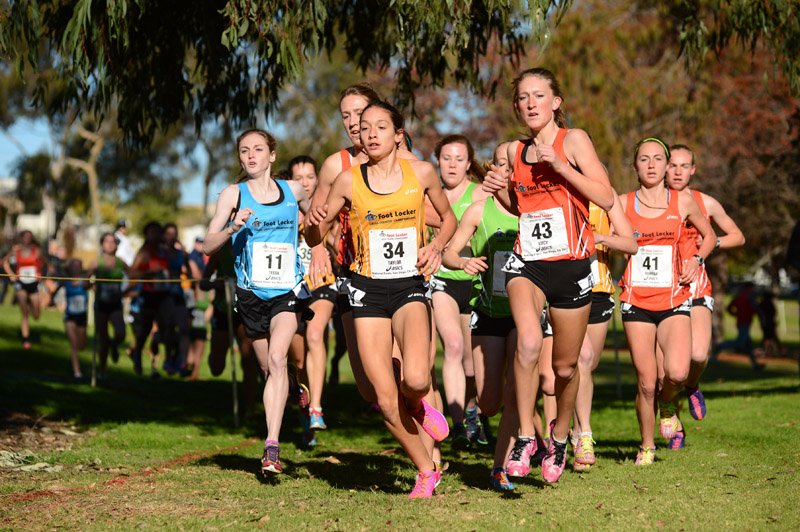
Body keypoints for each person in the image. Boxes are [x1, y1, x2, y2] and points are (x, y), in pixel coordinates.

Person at [306, 101, 456, 498]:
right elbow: (315, 234)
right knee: (384, 400)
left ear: (398, 134)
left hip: (409, 286)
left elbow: (449, 218)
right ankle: (425, 470)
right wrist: (313, 226)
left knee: (417, 380)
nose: (371, 133)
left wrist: (436, 246)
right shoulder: (347, 180)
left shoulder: (421, 173)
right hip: (366, 291)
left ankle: (418, 405)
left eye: (381, 127)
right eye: (365, 127)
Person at [482, 68, 615, 483]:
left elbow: (607, 197)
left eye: (539, 95)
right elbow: (519, 207)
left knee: (565, 369)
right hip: (528, 262)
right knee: (527, 342)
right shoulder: (512, 150)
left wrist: (562, 167)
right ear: (516, 107)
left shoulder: (573, 141)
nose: (530, 103)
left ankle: (559, 437)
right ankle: (525, 436)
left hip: (572, 266)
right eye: (523, 97)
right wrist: (498, 188)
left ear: (555, 102)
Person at [203, 128, 311, 475]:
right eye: (244, 151)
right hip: (251, 294)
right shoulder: (233, 194)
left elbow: (315, 225)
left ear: (272, 155)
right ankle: (292, 384)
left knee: (277, 358)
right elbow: (207, 245)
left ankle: (271, 445)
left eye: (258, 149)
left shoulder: (293, 190)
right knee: (269, 370)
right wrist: (232, 227)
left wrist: (319, 244)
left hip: (287, 290)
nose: (251, 156)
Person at [306, 83, 418, 410]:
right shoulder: (335, 165)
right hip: (353, 275)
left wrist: (436, 247)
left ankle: (425, 430)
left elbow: (432, 212)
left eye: (359, 113)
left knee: (410, 374)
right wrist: (317, 251)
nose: (353, 122)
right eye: (346, 115)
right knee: (369, 390)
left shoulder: (407, 161)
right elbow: (316, 218)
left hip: (403, 277)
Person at [619, 138, 716, 465]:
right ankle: (646, 446)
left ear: (666, 165)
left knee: (675, 373)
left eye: (658, 158)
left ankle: (668, 403)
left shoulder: (683, 201)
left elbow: (710, 236)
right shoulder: (621, 203)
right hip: (636, 301)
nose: (651, 165)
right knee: (647, 383)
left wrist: (697, 260)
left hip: (674, 300)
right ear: (635, 166)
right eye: (644, 159)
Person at [440, 141, 523, 490]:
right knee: (490, 403)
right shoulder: (478, 210)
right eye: (501, 165)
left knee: (517, 386)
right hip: (488, 311)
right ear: (492, 170)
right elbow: (448, 253)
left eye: (513, 165)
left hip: (525, 313)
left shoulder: (533, 209)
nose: (507, 171)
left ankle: (501, 466)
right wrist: (464, 262)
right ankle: (480, 412)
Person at [665, 144, 745, 422]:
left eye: (684, 166)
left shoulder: (705, 203)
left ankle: (692, 386)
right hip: (662, 289)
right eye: (672, 165)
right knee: (668, 367)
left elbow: (738, 236)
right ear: (664, 167)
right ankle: (672, 418)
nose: (678, 171)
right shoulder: (654, 202)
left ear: (693, 170)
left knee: (698, 356)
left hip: (696, 287)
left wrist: (713, 241)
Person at [428, 134, 490, 448]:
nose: (452, 165)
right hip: (442, 281)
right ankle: (458, 426)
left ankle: (472, 412)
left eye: (459, 159)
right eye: (446, 158)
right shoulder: (428, 195)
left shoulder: (479, 192)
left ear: (468, 164)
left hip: (474, 283)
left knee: (470, 362)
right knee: (452, 346)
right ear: (437, 161)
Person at [571, 195, 638, 469]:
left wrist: (601, 238)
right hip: (566, 290)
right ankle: (585, 435)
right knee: (582, 359)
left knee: (588, 366)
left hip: (599, 290)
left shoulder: (605, 196)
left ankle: (575, 431)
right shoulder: (558, 189)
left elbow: (631, 244)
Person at [284, 155, 338, 445]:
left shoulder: (330, 207)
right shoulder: (284, 209)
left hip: (322, 283)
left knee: (316, 335)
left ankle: (316, 407)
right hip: (294, 288)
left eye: (309, 177)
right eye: (298, 178)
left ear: (318, 179)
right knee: (299, 359)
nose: (305, 183)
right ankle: (305, 415)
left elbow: (340, 246)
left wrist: (326, 236)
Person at [130, 222, 176, 378]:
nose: (155, 236)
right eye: (152, 232)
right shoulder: (144, 252)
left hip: (164, 294)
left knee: (169, 324)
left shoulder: (164, 251)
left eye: (157, 232)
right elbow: (132, 273)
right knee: (146, 328)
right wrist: (150, 272)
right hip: (149, 295)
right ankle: (137, 354)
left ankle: (169, 359)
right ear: (146, 235)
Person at [87, 232, 130, 378]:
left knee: (121, 333)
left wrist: (123, 292)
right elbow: (86, 282)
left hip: (116, 305)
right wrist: (93, 286)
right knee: (103, 339)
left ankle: (114, 345)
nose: (110, 244)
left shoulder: (120, 262)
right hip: (101, 305)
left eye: (113, 242)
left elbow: (134, 277)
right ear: (102, 244)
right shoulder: (96, 262)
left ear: (117, 245)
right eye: (107, 241)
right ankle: (102, 371)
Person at [2, 230, 49, 349]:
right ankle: (26, 340)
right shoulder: (16, 251)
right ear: (22, 238)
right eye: (25, 236)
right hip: (20, 284)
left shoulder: (37, 250)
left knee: (36, 315)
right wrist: (11, 274)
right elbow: (4, 262)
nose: (27, 238)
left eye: (29, 236)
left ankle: (29, 306)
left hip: (34, 285)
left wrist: (42, 273)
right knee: (24, 314)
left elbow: (46, 263)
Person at [714, 282, 763, 370]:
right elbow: (755, 308)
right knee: (740, 343)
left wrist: (736, 314)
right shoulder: (749, 297)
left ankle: (755, 364)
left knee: (749, 345)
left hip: (741, 322)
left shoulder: (739, 296)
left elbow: (729, 308)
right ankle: (720, 346)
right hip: (745, 322)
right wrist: (762, 315)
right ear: (749, 288)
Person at [63, 258, 90, 379]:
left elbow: (91, 286)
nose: (76, 268)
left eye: (78, 265)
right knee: (74, 344)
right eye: (73, 265)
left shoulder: (85, 280)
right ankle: (77, 373)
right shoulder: (65, 280)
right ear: (69, 268)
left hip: (82, 316)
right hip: (70, 316)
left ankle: (76, 366)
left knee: (81, 346)